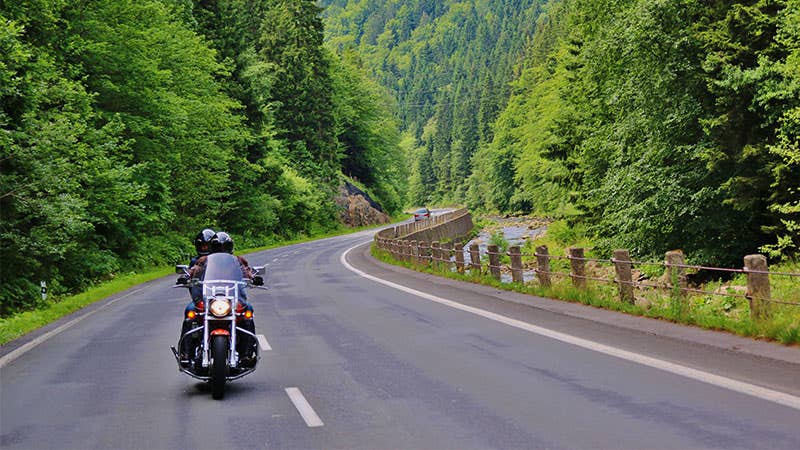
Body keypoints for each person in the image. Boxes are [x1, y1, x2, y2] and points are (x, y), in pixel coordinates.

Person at [180, 232, 258, 367]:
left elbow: (246, 271)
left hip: (232, 300)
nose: (221, 251)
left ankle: (247, 354)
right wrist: (187, 278)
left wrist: (254, 278)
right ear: (212, 248)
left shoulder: (238, 261)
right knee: (190, 313)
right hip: (209, 299)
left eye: (224, 247)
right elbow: (194, 271)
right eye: (217, 247)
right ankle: (185, 354)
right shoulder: (203, 261)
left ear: (230, 247)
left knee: (248, 313)